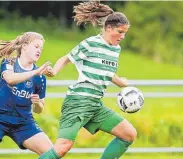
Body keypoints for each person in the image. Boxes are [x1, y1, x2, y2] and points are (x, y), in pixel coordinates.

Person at [39, 1, 137, 159]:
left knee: (128, 134)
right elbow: (66, 58)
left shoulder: (115, 49)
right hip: (78, 101)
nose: (122, 36)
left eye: (125, 33)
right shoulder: (91, 43)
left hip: (95, 105)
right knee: (63, 147)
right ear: (108, 28)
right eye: (120, 32)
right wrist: (54, 71)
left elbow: (106, 72)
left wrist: (122, 84)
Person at [0, 32, 53, 159]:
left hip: (23, 122)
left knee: (51, 153)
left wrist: (37, 103)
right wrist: (34, 72)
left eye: (41, 48)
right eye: (36, 46)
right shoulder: (10, 62)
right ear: (24, 46)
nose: (39, 51)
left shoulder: (40, 77)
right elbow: (10, 79)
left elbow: (39, 109)